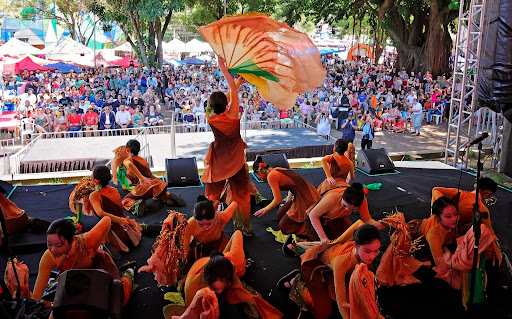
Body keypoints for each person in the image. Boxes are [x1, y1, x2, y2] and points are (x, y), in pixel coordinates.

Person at [286, 223, 382, 319]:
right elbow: (342, 302)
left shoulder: (362, 251)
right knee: (324, 313)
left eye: (376, 251)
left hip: (333, 267)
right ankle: (296, 281)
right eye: (367, 251)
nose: (372, 256)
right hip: (314, 265)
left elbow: (360, 223)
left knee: (348, 296)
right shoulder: (341, 262)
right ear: (356, 245)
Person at [32, 217, 135, 306]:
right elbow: (37, 295)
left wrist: (96, 246)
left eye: (59, 245)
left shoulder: (86, 241)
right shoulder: (48, 257)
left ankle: (129, 272)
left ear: (72, 241)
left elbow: (106, 220)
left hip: (98, 269)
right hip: (74, 281)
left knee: (118, 299)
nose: (53, 249)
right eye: (49, 244)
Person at [201, 57, 252, 235]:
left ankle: (208, 224)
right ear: (227, 104)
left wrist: (221, 65)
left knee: (212, 194)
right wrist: (235, 81)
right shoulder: (233, 116)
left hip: (220, 160)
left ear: (211, 106)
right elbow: (231, 93)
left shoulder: (210, 116)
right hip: (237, 159)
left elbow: (219, 101)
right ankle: (244, 227)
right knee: (242, 194)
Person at [180, 244, 282, 319]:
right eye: (214, 288)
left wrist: (245, 297)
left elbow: (237, 233)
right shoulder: (193, 285)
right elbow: (191, 313)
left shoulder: (231, 266)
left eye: (223, 287)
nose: (219, 292)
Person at [253, 157, 320, 236]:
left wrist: (265, 209)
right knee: (280, 214)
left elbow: (277, 200)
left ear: (259, 171)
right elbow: (293, 186)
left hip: (306, 198)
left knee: (284, 226)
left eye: (257, 176)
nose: (259, 178)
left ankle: (306, 228)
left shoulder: (271, 176)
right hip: (307, 193)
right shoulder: (276, 169)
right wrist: (288, 202)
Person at [121, 139, 186, 216]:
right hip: (159, 185)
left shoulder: (128, 160)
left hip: (144, 189)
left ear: (127, 150)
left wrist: (141, 178)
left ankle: (136, 205)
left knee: (126, 200)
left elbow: (129, 164)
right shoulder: (143, 161)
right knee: (157, 195)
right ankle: (166, 196)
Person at [305, 184, 385, 243]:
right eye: (344, 205)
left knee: (347, 240)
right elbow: (313, 215)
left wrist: (376, 224)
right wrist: (322, 237)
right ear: (342, 197)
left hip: (338, 218)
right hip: (314, 218)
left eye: (352, 209)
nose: (347, 210)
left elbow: (367, 219)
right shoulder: (332, 199)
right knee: (322, 247)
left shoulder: (361, 199)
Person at [89, 166, 141, 252]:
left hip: (114, 234)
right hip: (129, 231)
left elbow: (100, 213)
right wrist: (121, 220)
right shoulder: (114, 190)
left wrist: (119, 220)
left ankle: (106, 247)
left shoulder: (94, 195)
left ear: (95, 180)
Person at [183, 196, 238, 272]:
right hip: (199, 249)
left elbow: (235, 203)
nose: (205, 227)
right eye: (201, 224)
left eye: (209, 224)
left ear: (214, 216)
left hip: (218, 245)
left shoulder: (221, 217)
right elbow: (184, 247)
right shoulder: (190, 224)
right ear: (195, 219)